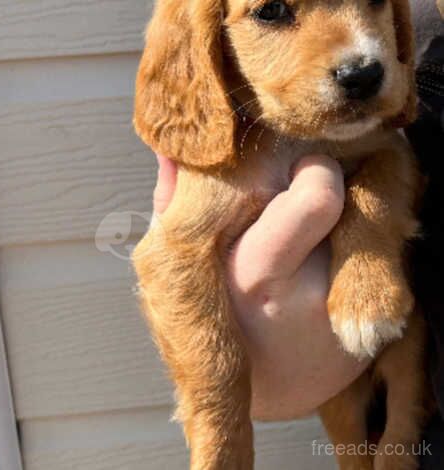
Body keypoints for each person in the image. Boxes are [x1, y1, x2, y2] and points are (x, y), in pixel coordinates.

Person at [148, 0, 443, 459]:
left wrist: (366, 244)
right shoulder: (222, 166)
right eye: (272, 11)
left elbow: (391, 158)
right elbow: (169, 260)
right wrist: (225, 428)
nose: (359, 56)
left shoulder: (372, 142)